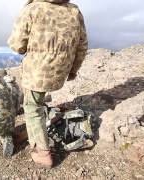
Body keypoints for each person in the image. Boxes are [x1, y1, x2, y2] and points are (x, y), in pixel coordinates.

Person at [8, 0, 88, 167]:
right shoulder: (74, 11)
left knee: (31, 106)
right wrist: (73, 70)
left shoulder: (33, 9)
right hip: (61, 72)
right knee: (38, 99)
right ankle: (44, 122)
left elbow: (17, 45)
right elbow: (82, 45)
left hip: (37, 73)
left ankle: (43, 152)